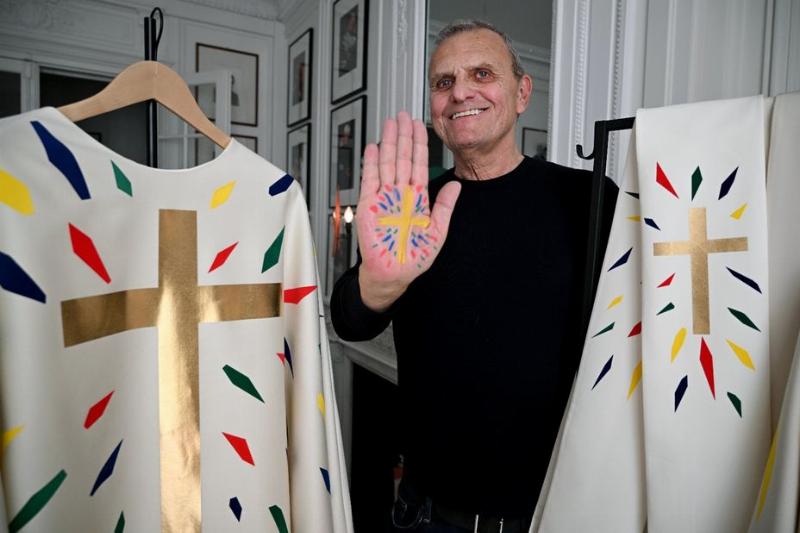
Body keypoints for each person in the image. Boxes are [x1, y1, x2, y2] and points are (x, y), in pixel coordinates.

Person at [330, 20, 618, 533]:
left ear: (522, 91)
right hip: (427, 510)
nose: (460, 91)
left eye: (481, 73)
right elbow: (350, 322)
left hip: (553, 508)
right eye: (443, 82)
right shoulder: (414, 205)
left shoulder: (590, 199)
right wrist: (383, 280)